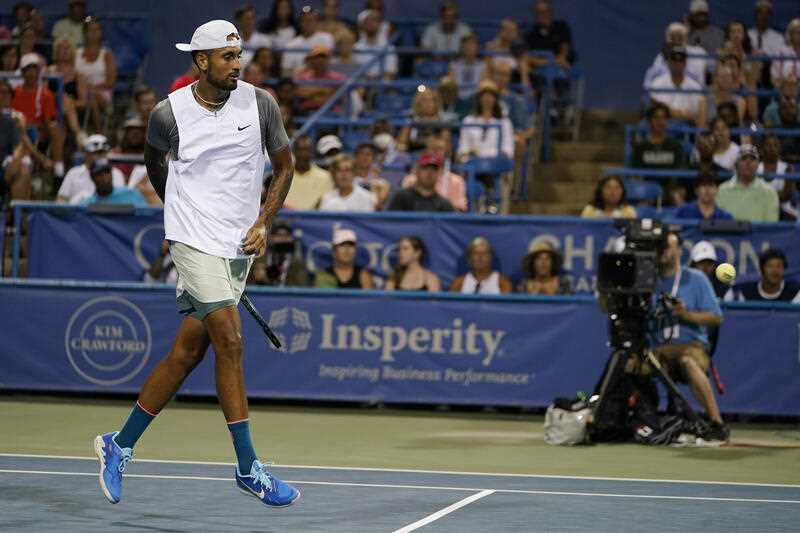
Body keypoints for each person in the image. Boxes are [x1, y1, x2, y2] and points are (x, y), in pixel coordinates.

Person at [94, 20, 300, 508]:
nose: (237, 64)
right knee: (229, 338)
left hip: (237, 245)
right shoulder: (168, 114)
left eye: (239, 55)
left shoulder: (261, 103)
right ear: (201, 61)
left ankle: (118, 444)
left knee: (188, 353)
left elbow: (285, 165)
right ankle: (249, 468)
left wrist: (264, 221)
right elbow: (154, 163)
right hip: (191, 239)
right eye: (227, 57)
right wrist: (181, 213)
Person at [652, 230, 728, 440]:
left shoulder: (696, 279)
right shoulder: (648, 279)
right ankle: (634, 420)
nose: (664, 252)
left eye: (668, 247)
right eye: (661, 247)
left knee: (688, 362)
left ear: (678, 250)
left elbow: (716, 318)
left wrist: (687, 315)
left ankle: (716, 422)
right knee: (633, 364)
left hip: (691, 347)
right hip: (658, 350)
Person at [11, 53, 66, 178]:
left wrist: (39, 127)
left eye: (34, 70)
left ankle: (59, 172)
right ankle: (39, 163)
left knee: (56, 129)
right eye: (28, 70)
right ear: (23, 72)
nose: (31, 74)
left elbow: (48, 121)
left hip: (39, 132)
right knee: (22, 132)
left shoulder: (46, 94)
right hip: (18, 131)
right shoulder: (14, 93)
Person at [401, 133, 467, 212]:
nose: (436, 152)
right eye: (432, 148)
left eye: (440, 149)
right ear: (426, 151)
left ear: (446, 152)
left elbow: (459, 211)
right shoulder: (410, 180)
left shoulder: (457, 181)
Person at [716, 144, 779, 221]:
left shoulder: (769, 192)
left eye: (752, 159)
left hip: (759, 233)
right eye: (744, 158)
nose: (748, 162)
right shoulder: (722, 190)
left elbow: (771, 226)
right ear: (736, 164)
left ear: (758, 164)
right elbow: (718, 223)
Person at [76, 16, 117, 132]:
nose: (94, 33)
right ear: (85, 33)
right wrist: (82, 89)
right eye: (90, 30)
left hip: (102, 93)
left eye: (97, 30)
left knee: (92, 97)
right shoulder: (76, 53)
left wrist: (88, 88)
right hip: (79, 93)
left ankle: (100, 133)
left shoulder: (107, 55)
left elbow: (110, 83)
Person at [456, 80, 514, 162]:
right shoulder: (468, 121)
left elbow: (508, 148)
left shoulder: (505, 122)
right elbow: (463, 146)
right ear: (479, 98)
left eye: (490, 95)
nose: (487, 98)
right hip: (473, 162)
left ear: (495, 99)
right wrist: (468, 153)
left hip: (496, 163)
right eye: (484, 95)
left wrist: (499, 157)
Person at [57, 134, 125, 204]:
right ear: (87, 154)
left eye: (103, 153)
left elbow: (121, 199)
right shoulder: (73, 173)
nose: (100, 156)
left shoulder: (117, 174)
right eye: (96, 153)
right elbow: (62, 199)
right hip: (77, 212)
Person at [649, 46, 706, 127]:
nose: (677, 63)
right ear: (669, 62)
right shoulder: (657, 83)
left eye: (680, 60)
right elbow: (654, 109)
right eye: (674, 59)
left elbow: (699, 113)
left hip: (687, 128)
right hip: (663, 126)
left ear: (685, 63)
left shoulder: (694, 87)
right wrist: (678, 114)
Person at [643, 22, 706, 88]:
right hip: (666, 93)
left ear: (686, 38)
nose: (676, 41)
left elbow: (701, 80)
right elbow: (648, 82)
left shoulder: (697, 53)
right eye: (673, 38)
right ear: (667, 39)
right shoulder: (661, 57)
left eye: (680, 37)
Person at [385, 152, 454, 212]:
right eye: (425, 168)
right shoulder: (400, 197)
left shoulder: (444, 204)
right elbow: (387, 223)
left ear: (439, 174)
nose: (429, 173)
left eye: (434, 169)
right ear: (417, 171)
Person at [726, 248, 800, 303]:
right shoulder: (745, 292)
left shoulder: (795, 292)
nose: (775, 271)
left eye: (779, 266)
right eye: (770, 266)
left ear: (784, 269)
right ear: (762, 269)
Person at [250, 219, 309, 287]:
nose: (283, 239)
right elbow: (247, 285)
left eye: (287, 235)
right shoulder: (259, 259)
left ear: (292, 239)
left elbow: (302, 287)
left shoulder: (297, 262)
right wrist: (258, 279)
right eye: (279, 235)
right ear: (271, 237)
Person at [396, 86, 453, 153]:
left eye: (431, 100)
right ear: (419, 103)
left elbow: (446, 146)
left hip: (434, 157)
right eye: (425, 100)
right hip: (414, 155)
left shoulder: (442, 121)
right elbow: (402, 143)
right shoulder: (412, 119)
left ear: (436, 103)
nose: (428, 104)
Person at [281, 6, 335, 75]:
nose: (308, 23)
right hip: (299, 81)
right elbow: (285, 72)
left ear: (317, 22)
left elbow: (331, 64)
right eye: (305, 20)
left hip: (323, 79)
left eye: (311, 20)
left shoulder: (326, 38)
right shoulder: (290, 45)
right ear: (300, 23)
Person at [283, 135, 333, 209]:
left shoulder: (326, 177)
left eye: (307, 150)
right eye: (300, 150)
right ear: (293, 152)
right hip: (287, 219)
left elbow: (326, 204)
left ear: (312, 152)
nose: (303, 154)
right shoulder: (282, 177)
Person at [293, 45, 346, 114]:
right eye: (316, 57)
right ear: (311, 60)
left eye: (323, 57)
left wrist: (311, 92)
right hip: (306, 111)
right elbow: (300, 93)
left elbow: (337, 96)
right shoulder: (302, 77)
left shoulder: (339, 77)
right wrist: (323, 91)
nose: (320, 60)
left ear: (328, 60)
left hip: (330, 112)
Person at [632, 104, 685, 171]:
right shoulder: (640, 147)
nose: (660, 121)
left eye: (664, 118)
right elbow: (636, 173)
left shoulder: (676, 146)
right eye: (656, 117)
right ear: (649, 121)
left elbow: (679, 171)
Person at [524, 0, 574, 70]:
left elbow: (564, 49)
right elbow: (527, 56)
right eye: (539, 13)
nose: (543, 15)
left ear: (551, 12)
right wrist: (545, 63)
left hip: (561, 66)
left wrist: (559, 60)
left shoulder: (561, 26)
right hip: (539, 68)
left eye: (546, 11)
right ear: (535, 15)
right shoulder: (530, 33)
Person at [759, 133, 797, 220]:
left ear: (780, 148)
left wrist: (763, 195)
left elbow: (786, 195)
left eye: (775, 145)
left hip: (784, 211)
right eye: (768, 145)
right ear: (762, 148)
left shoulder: (788, 168)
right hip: (759, 208)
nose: (772, 148)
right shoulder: (756, 168)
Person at [80, 158, 147, 206]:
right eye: (99, 174)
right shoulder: (86, 204)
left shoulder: (131, 194)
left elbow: (145, 219)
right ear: (92, 177)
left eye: (107, 172)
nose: (104, 177)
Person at [354, 9, 397, 80]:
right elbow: (354, 71)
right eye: (367, 21)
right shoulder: (356, 48)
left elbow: (391, 73)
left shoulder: (389, 48)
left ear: (379, 24)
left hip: (382, 85)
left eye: (374, 20)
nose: (370, 23)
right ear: (361, 25)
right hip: (361, 84)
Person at [449, 33, 484, 100]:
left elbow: (482, 85)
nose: (469, 47)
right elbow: (452, 85)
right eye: (466, 44)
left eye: (472, 44)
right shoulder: (454, 65)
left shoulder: (483, 65)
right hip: (456, 98)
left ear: (477, 47)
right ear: (462, 47)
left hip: (476, 98)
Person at [771, 18, 800, 86]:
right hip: (785, 91)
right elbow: (774, 78)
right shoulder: (780, 52)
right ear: (790, 34)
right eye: (797, 32)